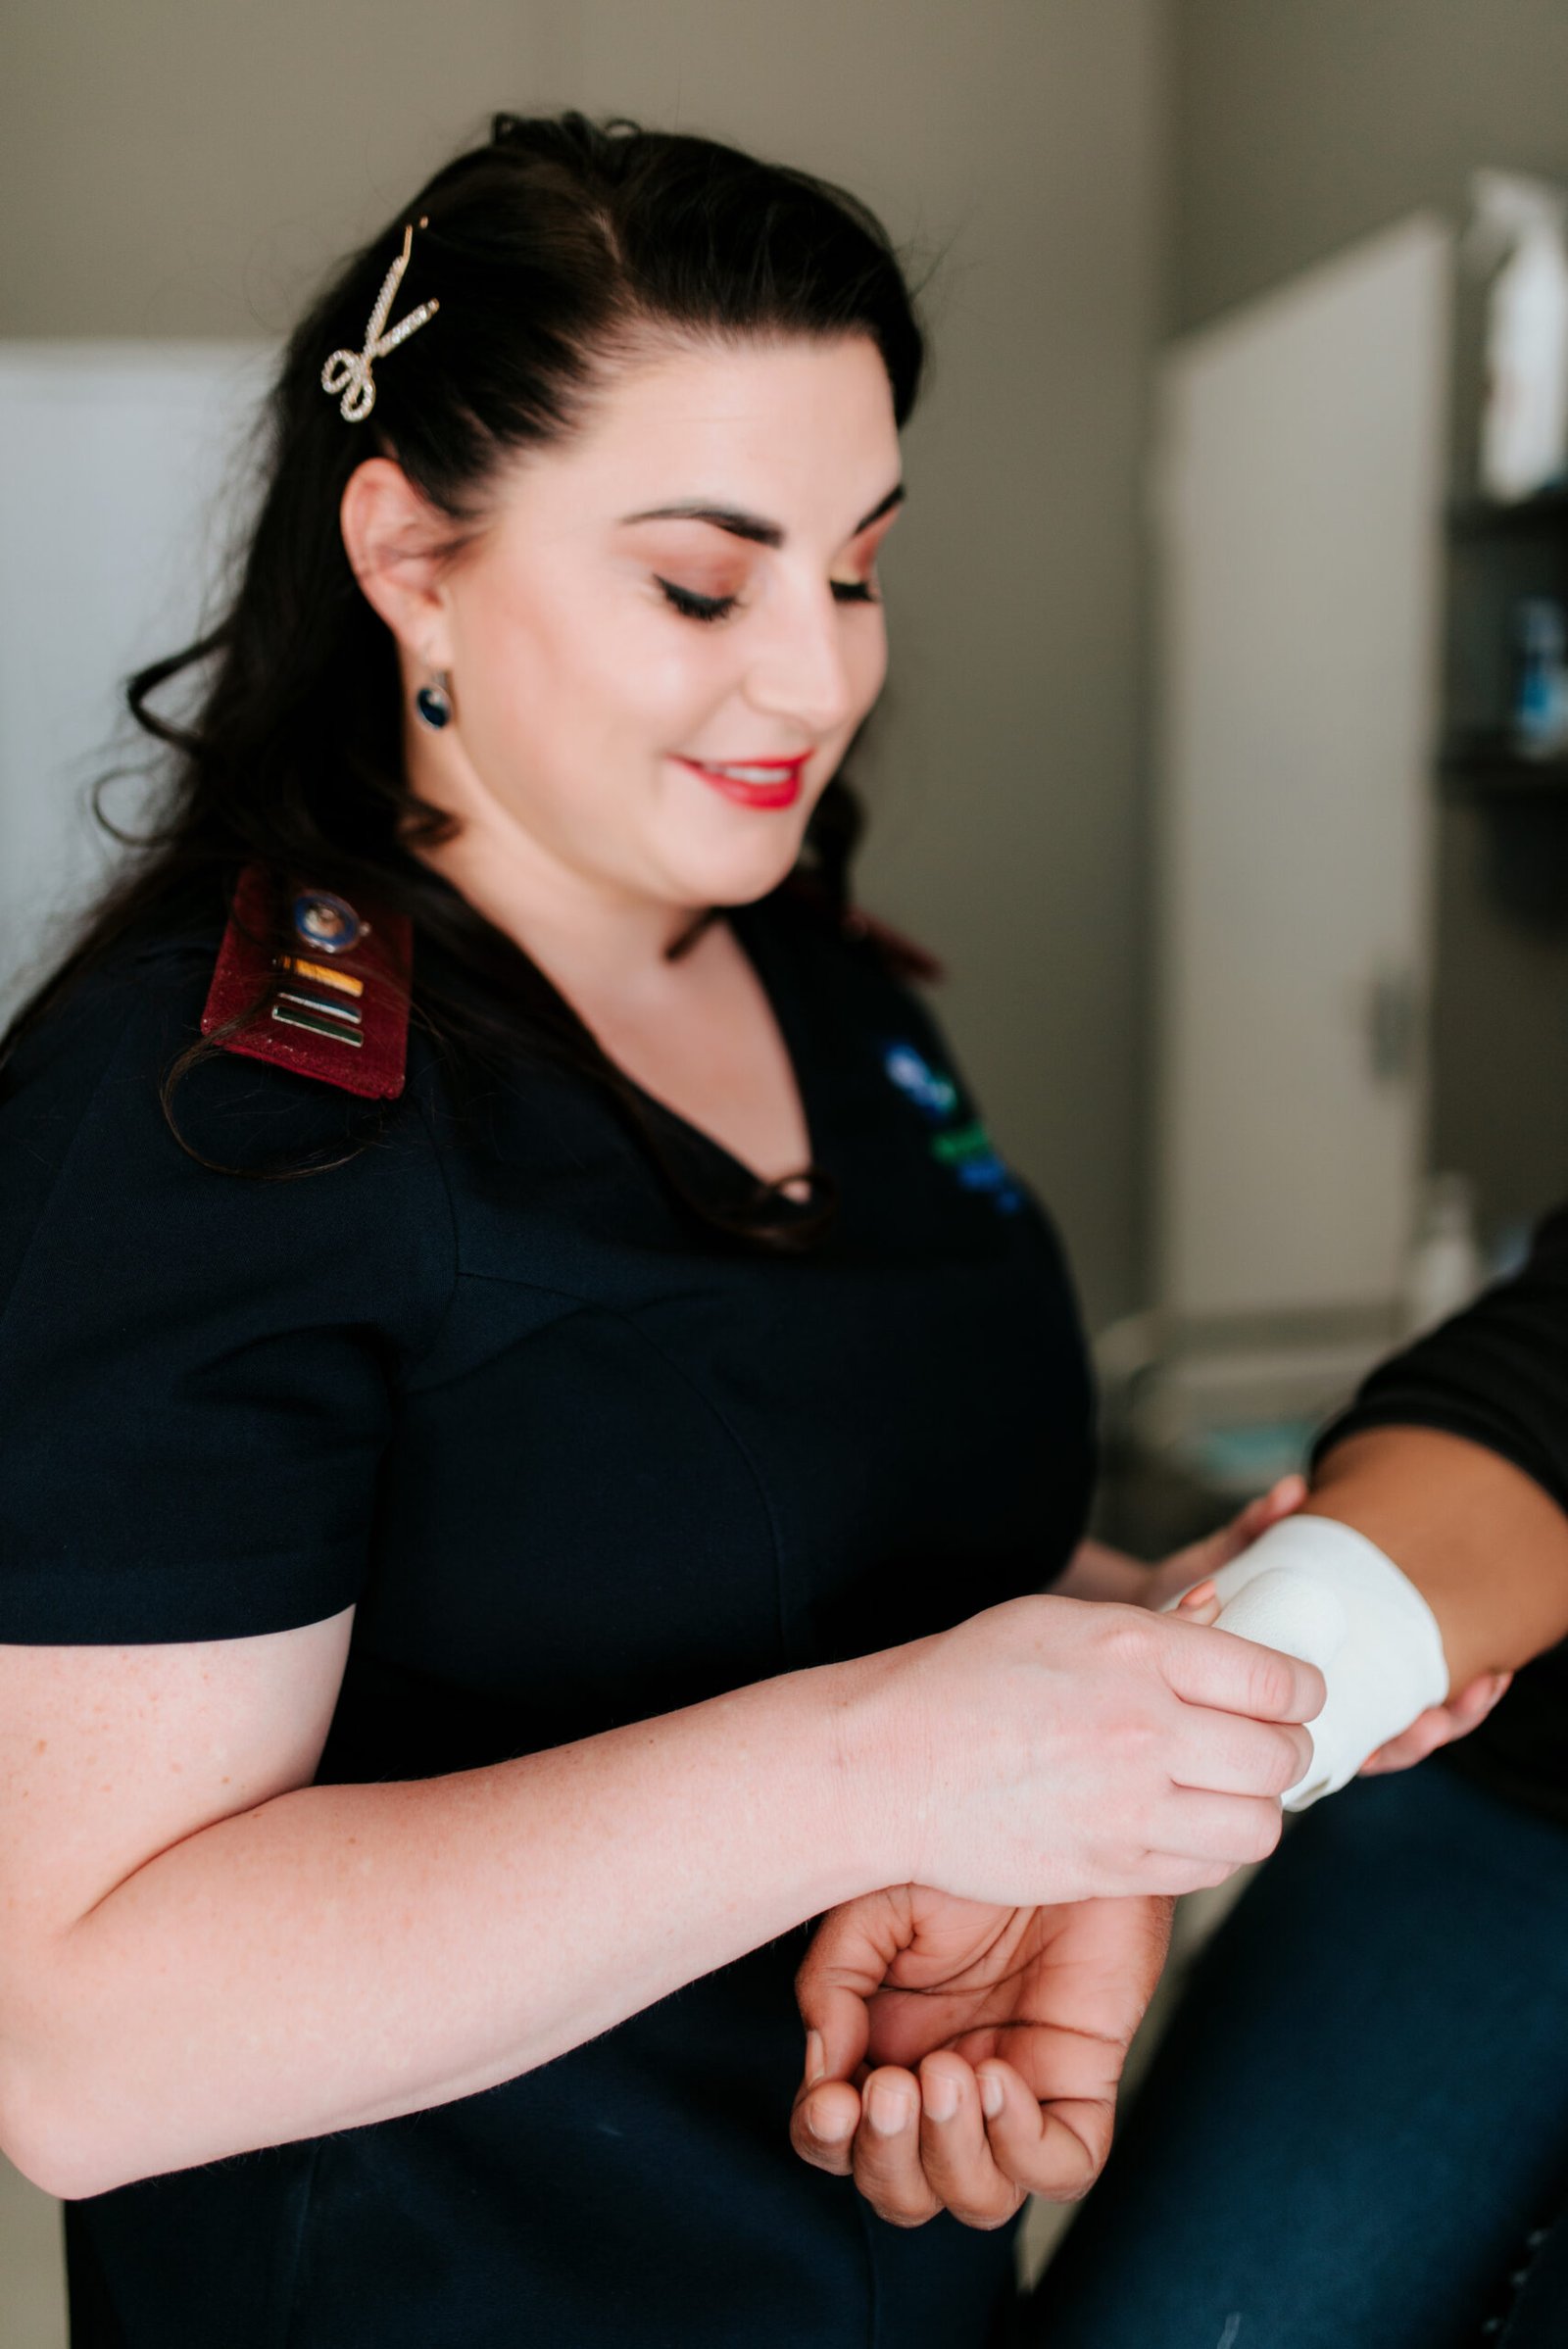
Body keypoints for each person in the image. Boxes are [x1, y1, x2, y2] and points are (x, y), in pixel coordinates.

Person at [0, 115, 1323, 2349]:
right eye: (705, 587)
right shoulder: (224, 1113)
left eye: (857, 568)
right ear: (410, 555)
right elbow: (87, 2042)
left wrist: (1164, 1644)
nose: (816, 679)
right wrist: (886, 1758)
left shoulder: (817, 981)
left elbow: (786, 1526)